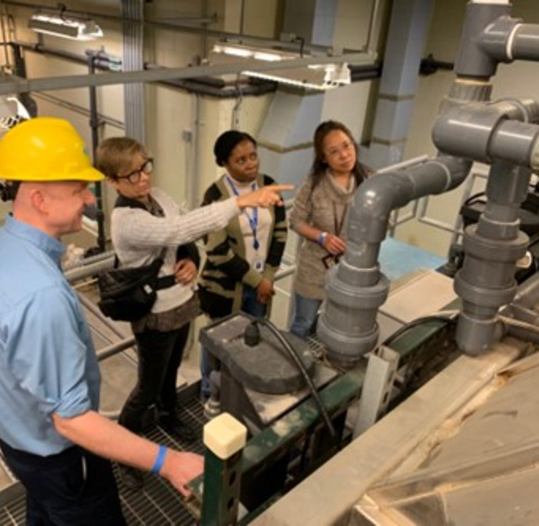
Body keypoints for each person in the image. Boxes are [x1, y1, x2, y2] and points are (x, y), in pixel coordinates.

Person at [0, 117, 205, 526]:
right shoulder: (40, 294)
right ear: (39, 199)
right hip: (58, 455)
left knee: (45, 512)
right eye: (78, 188)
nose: (90, 199)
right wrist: (168, 462)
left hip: (17, 438)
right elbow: (72, 420)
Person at [96, 136, 291, 490]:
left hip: (181, 302)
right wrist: (241, 201)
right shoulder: (126, 220)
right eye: (132, 175)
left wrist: (190, 259)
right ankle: (126, 452)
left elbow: (184, 238)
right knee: (147, 387)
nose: (143, 178)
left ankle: (168, 416)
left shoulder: (158, 197)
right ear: (112, 182)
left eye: (145, 167)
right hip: (154, 312)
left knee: (171, 369)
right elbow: (176, 229)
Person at [198, 130, 288, 400]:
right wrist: (257, 281)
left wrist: (268, 277)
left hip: (262, 284)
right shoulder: (215, 195)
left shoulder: (268, 185)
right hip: (225, 289)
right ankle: (209, 394)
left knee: (253, 338)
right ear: (224, 163)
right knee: (219, 344)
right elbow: (217, 251)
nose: (251, 164)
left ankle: (242, 394)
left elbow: (280, 233)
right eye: (241, 160)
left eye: (253, 156)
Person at [289, 120, 371, 340]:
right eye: (334, 151)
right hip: (314, 267)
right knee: (303, 323)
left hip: (351, 267)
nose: (344, 155)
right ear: (324, 157)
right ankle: (295, 358)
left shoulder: (370, 181)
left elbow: (383, 220)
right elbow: (295, 221)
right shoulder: (313, 184)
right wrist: (321, 237)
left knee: (339, 324)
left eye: (347, 145)